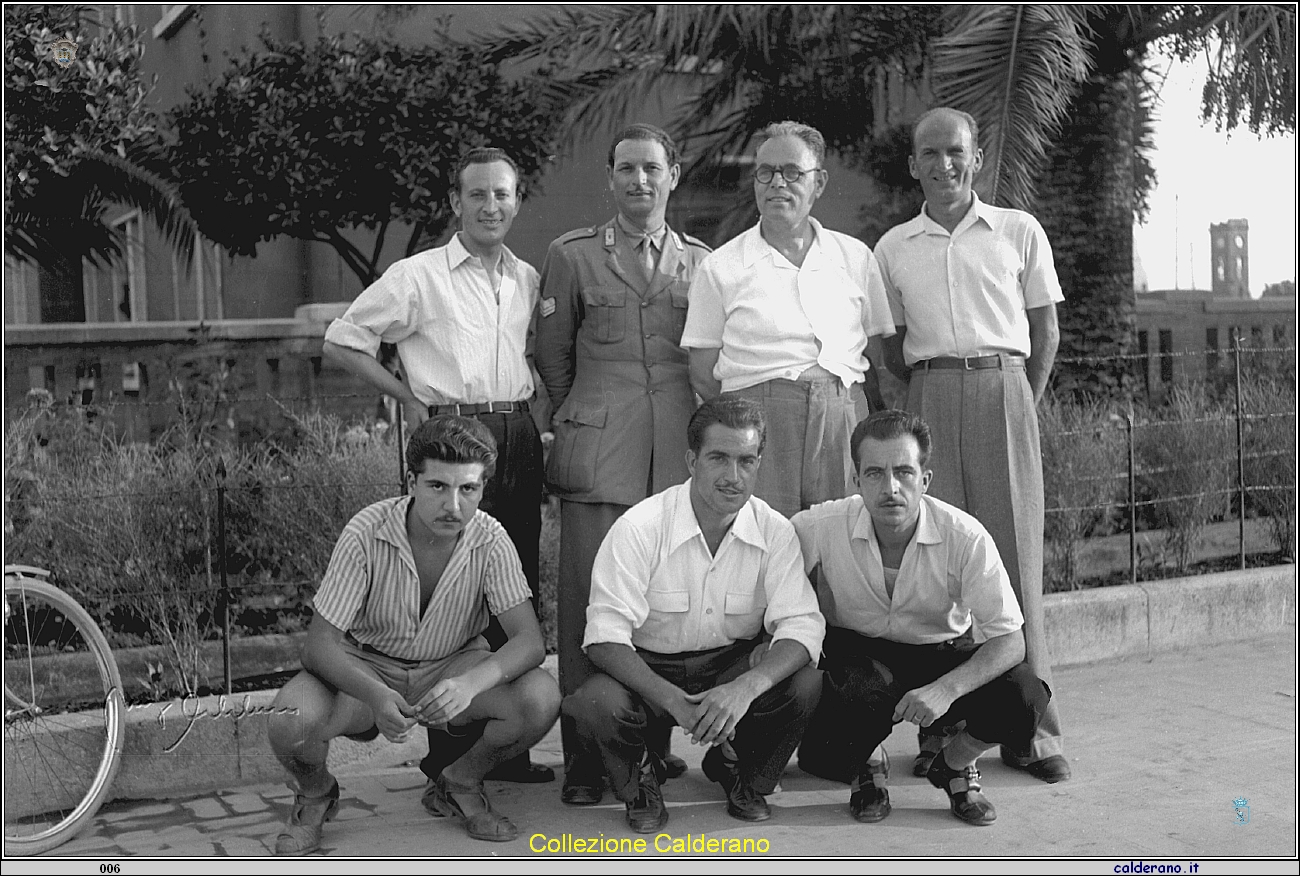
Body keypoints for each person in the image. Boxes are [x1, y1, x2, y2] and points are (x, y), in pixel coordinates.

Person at [322, 147, 552, 785]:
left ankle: (507, 749)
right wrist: (405, 395)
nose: (490, 206)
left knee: (512, 578)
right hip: (451, 432)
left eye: (502, 194)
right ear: (456, 202)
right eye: (477, 194)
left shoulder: (528, 277)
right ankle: (448, 756)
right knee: (451, 576)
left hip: (516, 429)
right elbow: (342, 340)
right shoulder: (417, 276)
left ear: (516, 199)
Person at [874, 106, 1070, 784]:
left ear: (977, 157)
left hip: (1002, 390)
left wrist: (1017, 404)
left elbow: (1045, 333)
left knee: (1014, 561)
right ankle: (946, 730)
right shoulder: (894, 247)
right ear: (913, 164)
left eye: (955, 151)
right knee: (940, 568)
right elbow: (886, 347)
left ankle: (1033, 732)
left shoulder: (1018, 230)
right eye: (929, 152)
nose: (943, 164)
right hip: (928, 395)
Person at [267, 416, 561, 854]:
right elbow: (319, 645)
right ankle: (315, 795)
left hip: (453, 665)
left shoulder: (491, 539)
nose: (454, 506)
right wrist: (375, 695)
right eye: (438, 486)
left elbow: (529, 642)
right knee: (291, 718)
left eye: (469, 490)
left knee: (541, 699)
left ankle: (459, 781)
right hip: (367, 668)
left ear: (483, 488)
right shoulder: (367, 531)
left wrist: (471, 683)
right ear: (410, 481)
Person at [534, 123, 711, 805]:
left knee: (659, 609)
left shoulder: (700, 260)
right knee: (589, 609)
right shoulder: (572, 255)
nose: (641, 181)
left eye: (653, 169)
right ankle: (583, 760)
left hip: (672, 458)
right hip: (599, 454)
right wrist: (582, 413)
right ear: (611, 179)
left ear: (674, 175)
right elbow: (553, 357)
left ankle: (647, 747)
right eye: (628, 170)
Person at [563, 397, 825, 832]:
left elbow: (801, 626)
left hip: (728, 667)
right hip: (649, 672)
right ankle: (640, 781)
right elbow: (605, 637)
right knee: (597, 701)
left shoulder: (775, 531)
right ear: (692, 460)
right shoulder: (640, 526)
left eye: (746, 460)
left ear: (759, 462)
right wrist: (671, 700)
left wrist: (745, 688)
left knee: (805, 681)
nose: (732, 476)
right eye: (718, 458)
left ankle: (742, 771)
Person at [791, 411, 1051, 826]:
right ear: (855, 482)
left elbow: (1010, 639)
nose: (890, 488)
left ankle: (955, 764)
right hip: (860, 658)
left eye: (904, 472)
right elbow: (766, 561)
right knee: (828, 740)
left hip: (940, 654)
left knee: (1024, 696)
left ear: (925, 480)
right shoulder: (820, 526)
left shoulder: (964, 536)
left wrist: (947, 689)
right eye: (874, 473)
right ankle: (867, 763)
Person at [680, 120, 895, 518]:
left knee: (842, 541)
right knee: (766, 542)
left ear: (820, 182)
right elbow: (702, 372)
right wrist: (756, 412)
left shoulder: (855, 257)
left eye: (793, 172)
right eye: (766, 172)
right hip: (758, 422)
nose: (778, 183)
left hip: (842, 417)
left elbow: (876, 355)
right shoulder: (721, 267)